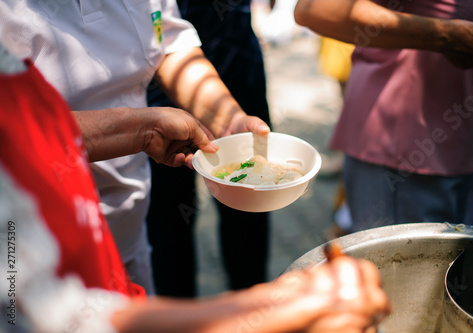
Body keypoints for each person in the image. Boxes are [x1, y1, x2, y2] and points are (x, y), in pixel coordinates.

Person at [0, 45, 390, 333]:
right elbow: (44, 317)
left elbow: (167, 41)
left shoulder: (14, 71)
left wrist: (146, 127)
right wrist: (278, 310)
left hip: (118, 241)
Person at [0, 0, 270, 294]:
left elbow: (166, 42)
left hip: (130, 227)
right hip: (35, 250)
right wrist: (140, 129)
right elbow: (12, 130)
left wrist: (228, 121)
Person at [294, 0, 473, 231]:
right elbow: (316, 9)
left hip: (462, 139)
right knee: (398, 263)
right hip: (403, 148)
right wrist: (444, 34)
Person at [146, 0, 272, 297]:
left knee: (249, 198)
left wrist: (229, 117)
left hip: (234, 63)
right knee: (168, 215)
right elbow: (158, 34)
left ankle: (252, 307)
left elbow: (169, 38)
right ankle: (178, 313)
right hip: (154, 93)